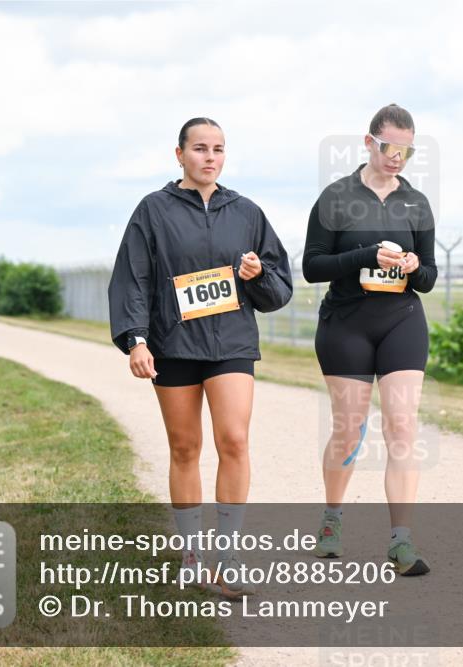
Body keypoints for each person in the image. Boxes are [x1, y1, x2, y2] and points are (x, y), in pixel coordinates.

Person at [108, 117, 293, 596]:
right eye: (200, 149)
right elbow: (134, 279)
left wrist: (256, 275)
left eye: (219, 149)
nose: (210, 157)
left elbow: (278, 289)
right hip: (174, 344)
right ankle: (190, 558)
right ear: (180, 155)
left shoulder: (246, 212)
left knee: (233, 440)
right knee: (185, 448)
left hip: (230, 343)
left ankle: (227, 556)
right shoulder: (153, 210)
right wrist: (136, 339)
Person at [303, 104, 437, 576]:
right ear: (368, 142)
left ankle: (401, 542)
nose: (397, 157)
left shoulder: (416, 202)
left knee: (402, 427)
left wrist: (414, 268)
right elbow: (313, 266)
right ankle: (332, 521)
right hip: (346, 323)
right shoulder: (336, 198)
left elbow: (429, 277)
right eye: (389, 147)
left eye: (406, 150)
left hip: (401, 319)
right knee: (350, 429)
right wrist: (366, 255)